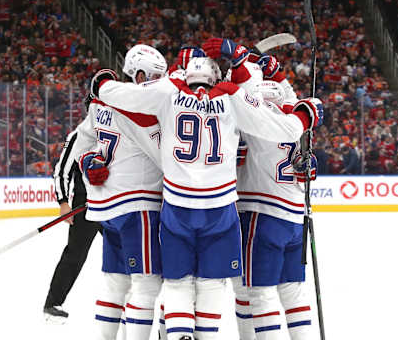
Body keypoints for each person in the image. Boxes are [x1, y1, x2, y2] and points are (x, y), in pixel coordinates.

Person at [91, 38, 322, 340]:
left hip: (177, 207)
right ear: (216, 78)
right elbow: (287, 128)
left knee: (177, 283)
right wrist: (308, 113)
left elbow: (122, 94)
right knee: (213, 283)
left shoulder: (168, 92)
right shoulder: (231, 97)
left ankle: (178, 335)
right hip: (220, 209)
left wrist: (102, 83)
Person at [225, 49, 321, 340]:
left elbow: (241, 100)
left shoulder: (257, 122)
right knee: (293, 293)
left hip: (262, 215)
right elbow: (289, 99)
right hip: (294, 217)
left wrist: (237, 70)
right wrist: (279, 76)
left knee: (258, 293)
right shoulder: (292, 119)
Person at [80, 44, 167, 340]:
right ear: (138, 74)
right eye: (154, 75)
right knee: (147, 284)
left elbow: (83, 146)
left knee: (115, 282)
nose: (158, 81)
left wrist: (88, 161)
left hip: (106, 206)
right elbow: (166, 158)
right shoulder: (142, 110)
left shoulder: (99, 105)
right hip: (138, 205)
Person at [43, 92, 103, 324]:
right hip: (85, 206)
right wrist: (63, 202)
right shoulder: (79, 135)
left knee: (125, 252)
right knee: (75, 254)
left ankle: (133, 303)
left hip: (114, 203)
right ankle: (53, 302)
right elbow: (62, 170)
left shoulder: (121, 130)